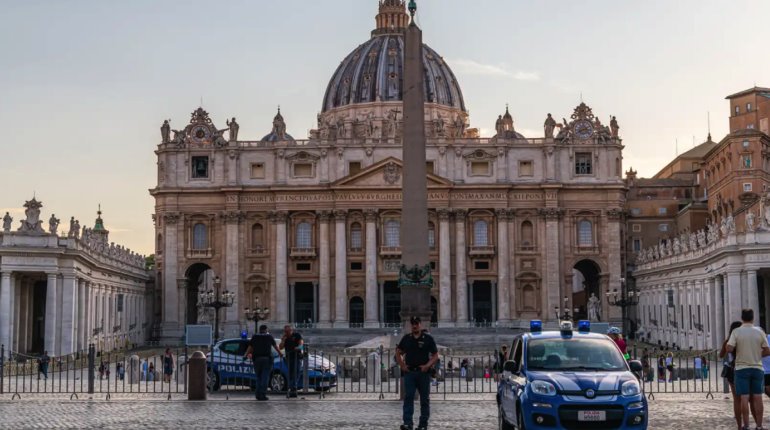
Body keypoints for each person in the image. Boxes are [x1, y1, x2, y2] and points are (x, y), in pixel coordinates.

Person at [726, 309, 770, 430]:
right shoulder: (759, 331)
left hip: (741, 368)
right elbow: (767, 350)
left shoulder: (736, 331)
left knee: (744, 397)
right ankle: (759, 425)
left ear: (742, 318)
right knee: (757, 397)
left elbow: (729, 348)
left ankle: (746, 425)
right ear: (753, 318)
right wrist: (756, 354)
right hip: (757, 367)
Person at [396, 316, 439, 430]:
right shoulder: (406, 338)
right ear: (411, 325)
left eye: (416, 323)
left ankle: (423, 424)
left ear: (420, 324)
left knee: (424, 399)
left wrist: (427, 366)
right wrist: (402, 365)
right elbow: (398, 352)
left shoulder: (428, 338)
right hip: (410, 372)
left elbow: (435, 356)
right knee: (408, 397)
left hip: (423, 373)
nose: (414, 325)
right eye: (413, 323)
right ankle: (407, 423)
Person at [244, 324, 282, 401]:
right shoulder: (269, 337)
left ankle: (257, 394)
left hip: (257, 359)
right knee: (265, 377)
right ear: (266, 330)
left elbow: (250, 347)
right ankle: (262, 394)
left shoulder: (254, 337)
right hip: (266, 359)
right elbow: (275, 346)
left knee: (258, 377)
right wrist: (280, 353)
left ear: (260, 329)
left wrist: (245, 355)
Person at [721, 321, 743, 430]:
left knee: (736, 398)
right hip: (741, 367)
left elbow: (720, 355)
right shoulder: (741, 341)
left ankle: (738, 416)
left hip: (730, 370)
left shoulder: (727, 341)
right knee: (744, 396)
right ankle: (744, 416)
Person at [279, 325, 304, 398]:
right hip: (289, 357)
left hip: (297, 357)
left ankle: (293, 389)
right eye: (285, 331)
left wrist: (298, 347)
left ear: (291, 330)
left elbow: (301, 344)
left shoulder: (297, 335)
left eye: (287, 331)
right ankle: (293, 389)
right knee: (290, 374)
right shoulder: (285, 337)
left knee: (296, 373)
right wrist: (283, 340)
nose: (286, 333)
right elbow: (280, 347)